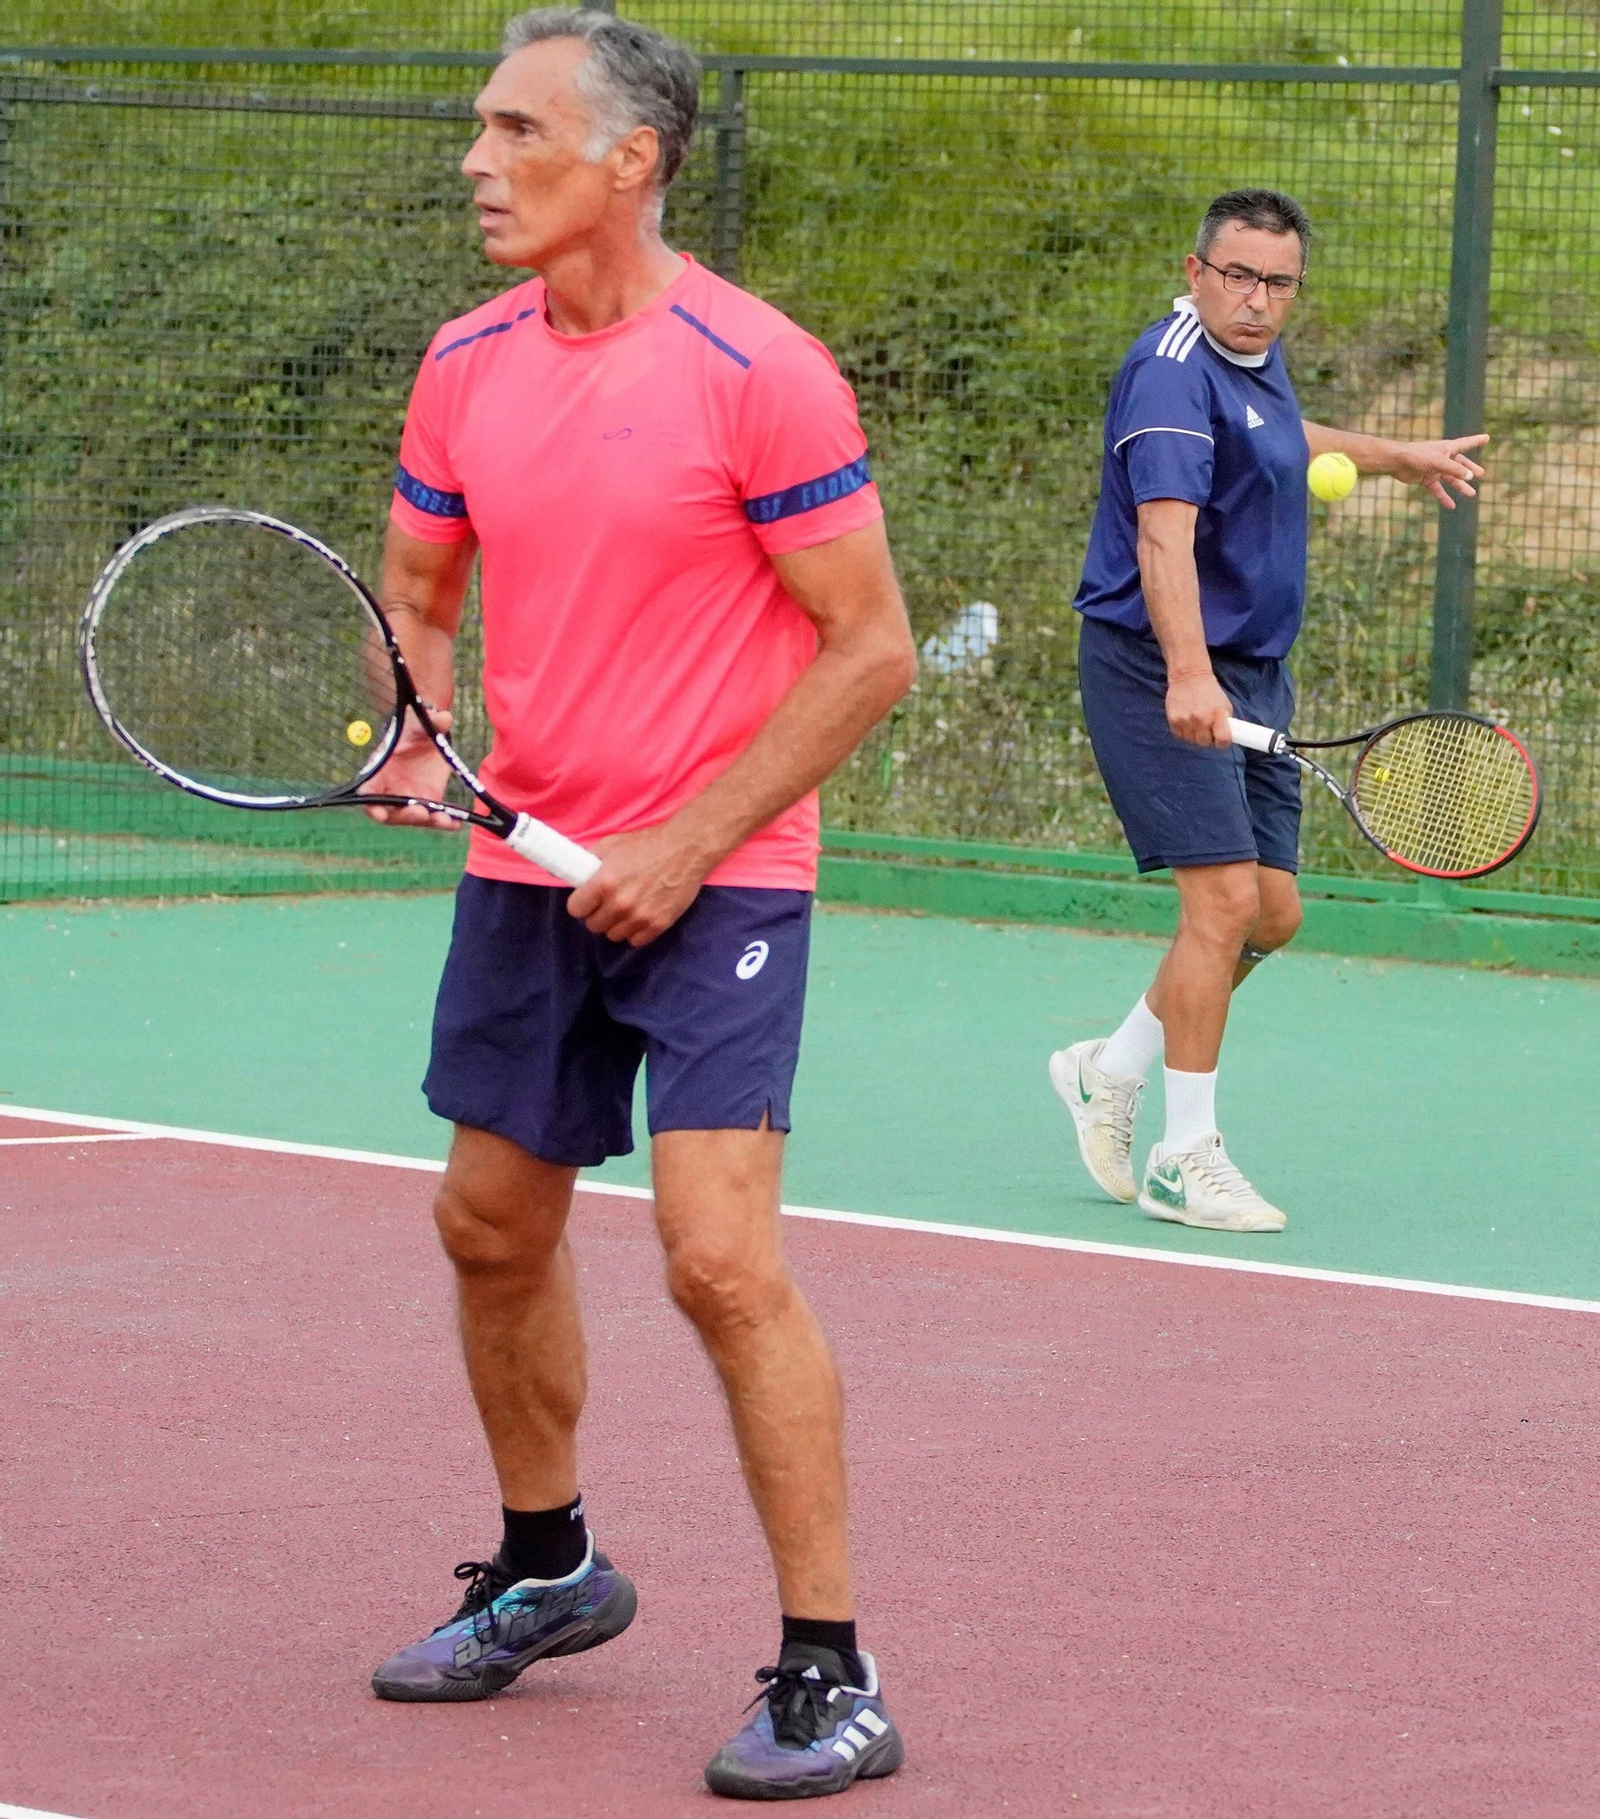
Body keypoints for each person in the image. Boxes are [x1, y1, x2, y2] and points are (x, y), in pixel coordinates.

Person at [360, 9, 916, 1799]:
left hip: (723, 865)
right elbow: (418, 590)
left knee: (719, 1258)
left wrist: (684, 837)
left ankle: (831, 1670)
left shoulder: (759, 369)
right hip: (527, 858)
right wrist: (415, 728)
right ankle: (549, 1567)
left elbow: (870, 648)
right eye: (480, 126)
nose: (479, 161)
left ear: (632, 158)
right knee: (486, 1224)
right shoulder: (465, 362)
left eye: (519, 130)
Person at [1051, 188, 1487, 1233]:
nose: (1256, 299)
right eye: (1237, 275)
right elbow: (1162, 537)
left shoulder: (1250, 360)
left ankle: (1110, 1066)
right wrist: (1187, 674)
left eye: (1278, 282)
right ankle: (1183, 1156)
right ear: (1196, 271)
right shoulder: (1168, 374)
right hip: (1156, 664)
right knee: (1221, 905)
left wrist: (1398, 455)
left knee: (1271, 913)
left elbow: (1275, 433)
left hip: (1250, 670)